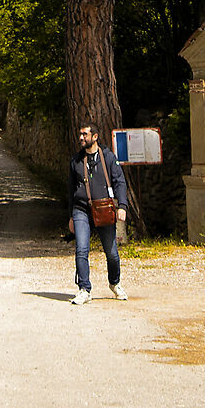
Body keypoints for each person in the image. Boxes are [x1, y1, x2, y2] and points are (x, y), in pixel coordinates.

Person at [67, 123, 129, 305]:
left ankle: (114, 283)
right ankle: (84, 289)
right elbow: (71, 190)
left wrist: (122, 206)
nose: (81, 137)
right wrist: (71, 216)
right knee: (81, 249)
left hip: (104, 209)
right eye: (80, 134)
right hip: (81, 210)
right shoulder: (76, 161)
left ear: (95, 137)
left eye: (85, 134)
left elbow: (120, 182)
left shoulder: (108, 157)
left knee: (112, 253)